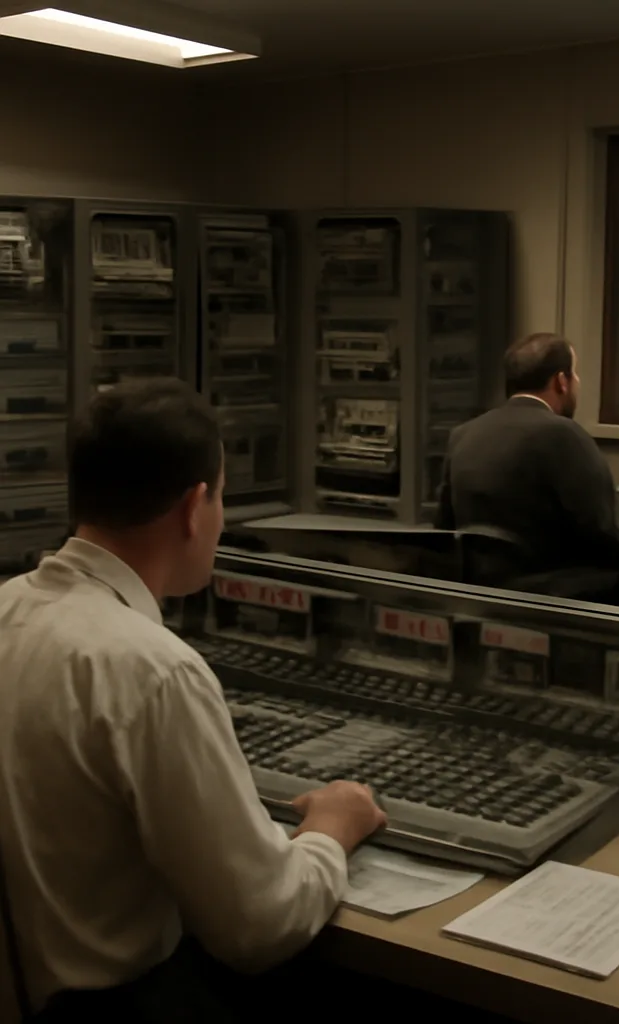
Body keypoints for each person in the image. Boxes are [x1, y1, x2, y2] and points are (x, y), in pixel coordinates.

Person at [0, 379, 386, 1022]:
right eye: (223, 498)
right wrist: (331, 829)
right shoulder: (155, 672)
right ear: (194, 505)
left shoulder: (8, 608)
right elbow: (260, 926)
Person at [435, 333, 619, 591]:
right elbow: (604, 535)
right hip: (550, 594)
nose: (577, 382)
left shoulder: (462, 434)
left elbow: (443, 529)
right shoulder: (564, 434)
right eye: (575, 374)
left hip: (480, 590)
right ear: (561, 381)